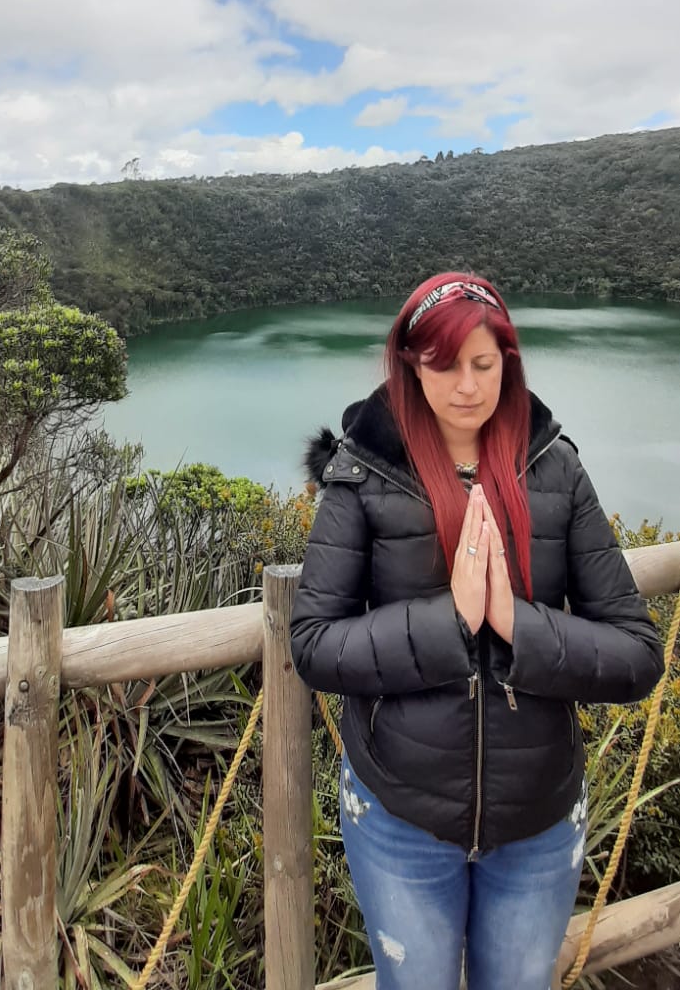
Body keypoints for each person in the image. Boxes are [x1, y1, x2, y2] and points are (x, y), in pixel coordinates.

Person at [290, 273, 664, 990]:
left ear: (508, 364)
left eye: (483, 365)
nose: (466, 385)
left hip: (537, 817)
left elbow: (635, 654)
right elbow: (313, 643)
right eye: (443, 364)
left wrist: (511, 623)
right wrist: (450, 620)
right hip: (400, 814)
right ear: (409, 365)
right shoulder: (362, 475)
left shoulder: (554, 470)